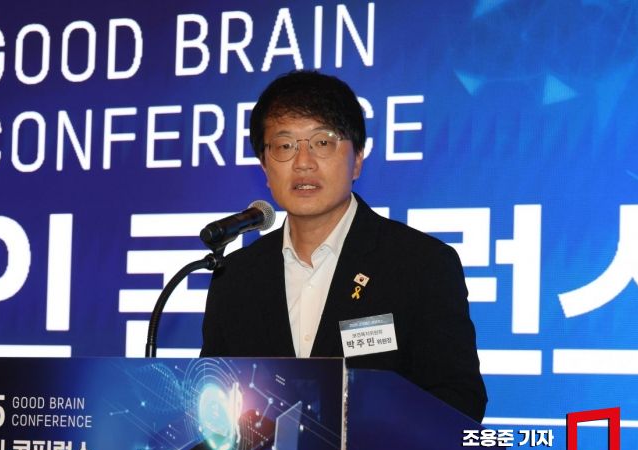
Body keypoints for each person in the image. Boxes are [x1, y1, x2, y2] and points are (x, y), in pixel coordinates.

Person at [201, 70, 487, 422]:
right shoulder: (236, 276)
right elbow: (213, 393)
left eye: (323, 143)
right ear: (264, 166)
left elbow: (459, 399)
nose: (303, 162)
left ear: (358, 160)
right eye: (285, 145)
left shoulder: (420, 264)